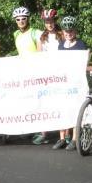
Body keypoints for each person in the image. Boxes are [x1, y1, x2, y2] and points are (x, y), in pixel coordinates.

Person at [54, 15, 88, 150]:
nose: (68, 33)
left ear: (75, 31)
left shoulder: (81, 44)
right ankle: (62, 138)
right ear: (63, 32)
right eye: (66, 31)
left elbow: (83, 62)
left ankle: (74, 138)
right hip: (63, 82)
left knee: (75, 109)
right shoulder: (60, 45)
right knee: (62, 109)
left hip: (76, 82)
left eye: (71, 31)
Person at [30, 8, 63, 146]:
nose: (49, 24)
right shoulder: (41, 37)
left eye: (51, 21)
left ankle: (64, 134)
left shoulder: (61, 35)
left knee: (61, 102)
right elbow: (39, 54)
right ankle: (43, 133)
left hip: (60, 73)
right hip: (46, 74)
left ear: (55, 21)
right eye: (46, 21)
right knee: (44, 103)